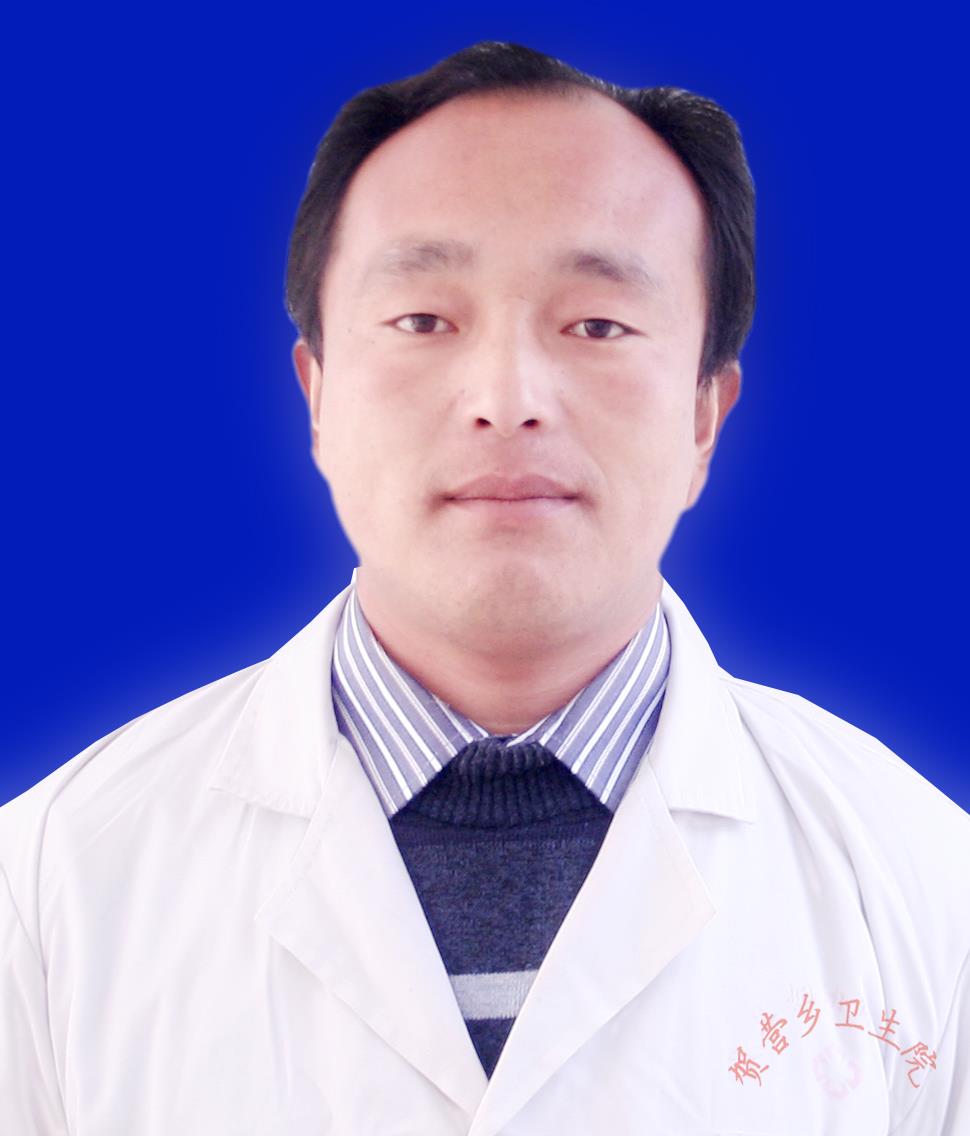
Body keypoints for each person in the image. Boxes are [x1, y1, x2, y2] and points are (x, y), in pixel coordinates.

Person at [1, 39, 967, 1135]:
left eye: (596, 324)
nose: (506, 399)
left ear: (705, 413)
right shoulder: (54, 884)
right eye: (424, 320)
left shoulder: (922, 883)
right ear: (317, 394)